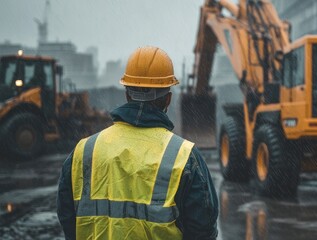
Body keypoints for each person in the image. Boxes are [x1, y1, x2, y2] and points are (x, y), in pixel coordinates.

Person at [57, 46, 218, 240]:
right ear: (168, 99)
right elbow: (202, 230)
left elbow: (68, 219)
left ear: (127, 94)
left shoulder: (83, 151)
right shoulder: (184, 157)